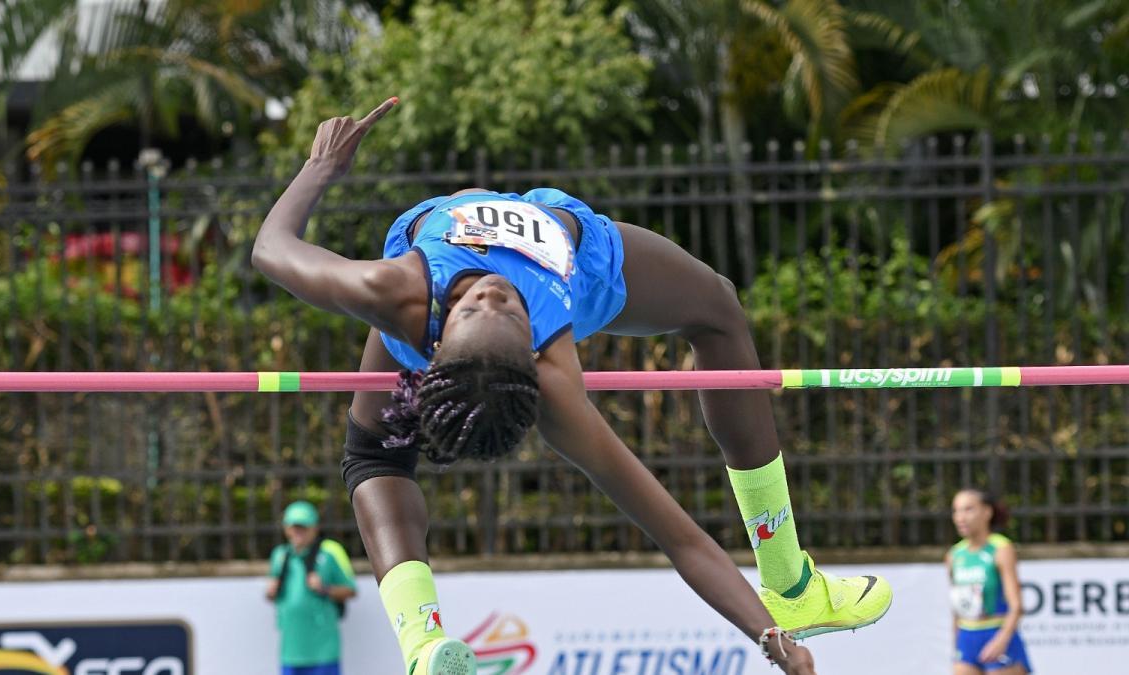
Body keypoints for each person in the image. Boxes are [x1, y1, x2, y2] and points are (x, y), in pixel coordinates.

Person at [253, 98, 891, 675]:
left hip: (521, 270)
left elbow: (272, 248)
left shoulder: (389, 292)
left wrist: (319, 170)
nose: (495, 294)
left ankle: (789, 581)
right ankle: (425, 645)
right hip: (578, 265)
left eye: (491, 306)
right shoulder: (537, 365)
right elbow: (682, 538)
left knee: (373, 449)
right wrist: (774, 640)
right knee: (375, 458)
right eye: (491, 309)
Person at [266, 500, 358, 675]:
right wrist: (271, 591)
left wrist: (324, 588)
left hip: (323, 651)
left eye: (303, 527)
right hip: (291, 652)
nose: (298, 532)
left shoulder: (330, 551)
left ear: (315, 527)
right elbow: (274, 595)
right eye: (294, 527)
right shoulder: (280, 555)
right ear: (286, 529)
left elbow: (350, 590)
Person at [948, 490, 1033, 674]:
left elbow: (1016, 605)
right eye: (956, 511)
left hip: (996, 632)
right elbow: (956, 606)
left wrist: (1002, 640)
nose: (960, 517)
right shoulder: (954, 555)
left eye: (968, 509)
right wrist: (956, 642)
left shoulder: (1000, 548)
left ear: (987, 512)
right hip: (967, 636)